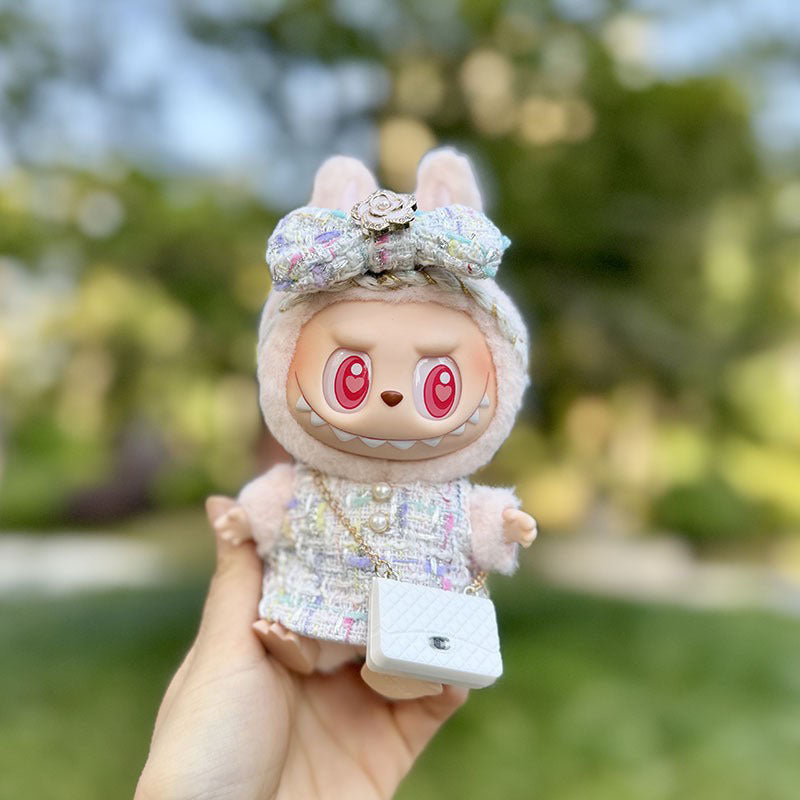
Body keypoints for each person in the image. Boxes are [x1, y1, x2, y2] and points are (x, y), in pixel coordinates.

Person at [134, 497, 468, 800]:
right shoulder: (312, 484)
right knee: (321, 637)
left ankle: (404, 673)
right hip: (326, 610)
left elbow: (482, 520)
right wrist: (249, 519)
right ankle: (305, 651)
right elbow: (274, 500)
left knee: (401, 648)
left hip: (402, 617)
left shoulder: (447, 496)